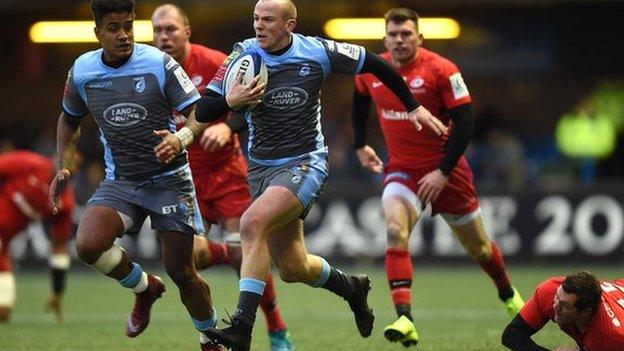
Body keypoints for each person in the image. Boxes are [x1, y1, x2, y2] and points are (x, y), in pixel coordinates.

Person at [153, 1, 447, 350]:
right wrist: (230, 102)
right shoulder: (243, 56)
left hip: (304, 163)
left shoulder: (318, 51)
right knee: (292, 267)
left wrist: (412, 106)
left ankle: (242, 329)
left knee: (251, 223)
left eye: (268, 20)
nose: (259, 26)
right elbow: (205, 107)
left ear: (289, 25)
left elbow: (377, 64)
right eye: (256, 19)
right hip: (261, 167)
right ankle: (351, 288)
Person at [351, 7, 525, 347]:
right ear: (385, 38)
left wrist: (443, 172)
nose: (399, 40)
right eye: (393, 34)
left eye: (406, 34)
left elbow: (465, 124)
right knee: (393, 231)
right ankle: (405, 318)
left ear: (420, 37)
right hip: (401, 169)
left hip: (448, 172)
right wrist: (359, 144)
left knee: (480, 249)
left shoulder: (442, 70)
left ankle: (507, 293)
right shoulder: (372, 71)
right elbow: (359, 100)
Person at [49, 0, 218, 348]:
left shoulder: (159, 63)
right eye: (114, 28)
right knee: (88, 244)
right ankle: (145, 288)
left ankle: (210, 336)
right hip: (122, 180)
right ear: (98, 33)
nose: (124, 35)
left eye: (129, 25)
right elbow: (69, 119)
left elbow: (200, 110)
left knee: (183, 273)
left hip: (170, 180)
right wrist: (63, 164)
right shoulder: (82, 71)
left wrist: (181, 137)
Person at [151, 4, 294, 350]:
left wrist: (229, 128)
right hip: (182, 177)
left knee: (244, 252)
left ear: (187, 31)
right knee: (189, 261)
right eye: (157, 30)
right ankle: (211, 326)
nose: (164, 36)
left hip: (225, 171)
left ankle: (277, 330)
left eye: (170, 29)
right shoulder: (150, 71)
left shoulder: (221, 62)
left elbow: (257, 107)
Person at [0, 150, 74, 323]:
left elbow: (59, 248)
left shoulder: (64, 203)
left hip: (3, 248)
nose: (70, 166)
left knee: (3, 311)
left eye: (75, 164)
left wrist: (57, 290)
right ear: (56, 156)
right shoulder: (28, 163)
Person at [502, 271, 624, 351]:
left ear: (585, 312)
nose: (555, 306)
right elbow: (511, 334)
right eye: (557, 296)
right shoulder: (550, 291)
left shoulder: (612, 337)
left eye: (564, 305)